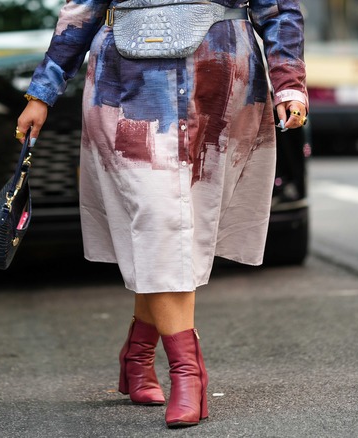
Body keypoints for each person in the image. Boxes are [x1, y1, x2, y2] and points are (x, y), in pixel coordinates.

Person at [16, 0, 307, 428]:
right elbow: (82, 12)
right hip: (126, 94)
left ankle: (137, 356)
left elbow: (279, 8)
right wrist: (42, 92)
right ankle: (189, 376)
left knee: (174, 229)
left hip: (220, 91)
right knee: (160, 220)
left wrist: (289, 83)